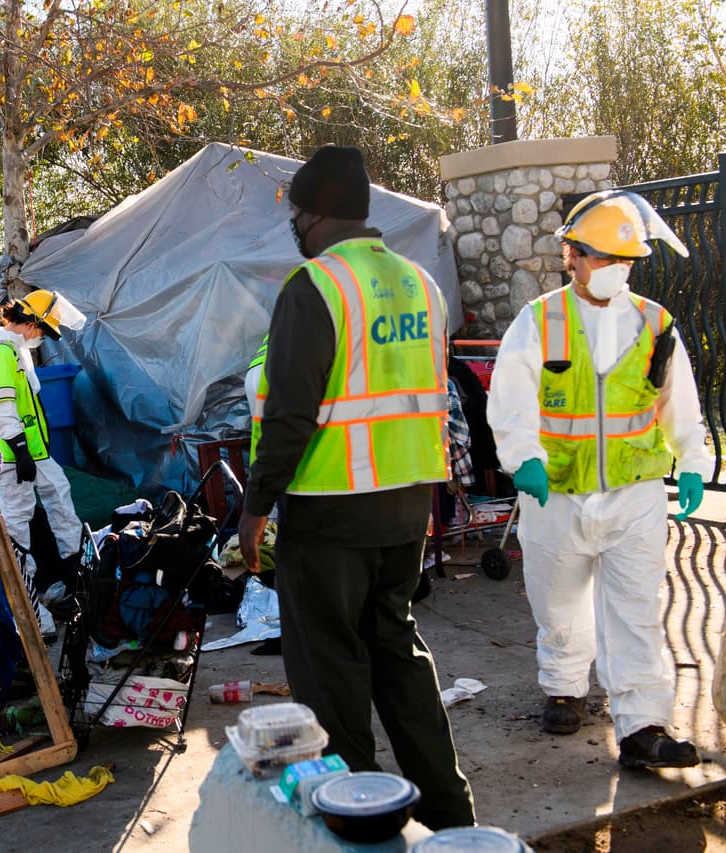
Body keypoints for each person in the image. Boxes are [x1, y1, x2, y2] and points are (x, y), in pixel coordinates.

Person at [239, 145, 476, 830]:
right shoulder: (422, 286)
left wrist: (255, 510)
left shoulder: (314, 286)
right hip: (408, 508)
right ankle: (451, 816)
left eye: (295, 215)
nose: (294, 227)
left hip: (328, 511)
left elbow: (289, 415)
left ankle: (358, 823)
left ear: (315, 215)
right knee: (398, 652)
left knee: (331, 672)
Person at [487, 189, 710, 769]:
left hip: (635, 494)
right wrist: (523, 457)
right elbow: (510, 398)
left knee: (635, 611)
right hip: (557, 492)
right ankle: (565, 688)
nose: (616, 269)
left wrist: (691, 460)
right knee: (558, 604)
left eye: (625, 260)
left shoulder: (655, 322)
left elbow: (677, 400)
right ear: (573, 255)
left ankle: (643, 725)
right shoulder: (538, 321)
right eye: (604, 257)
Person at [0, 289, 87, 638]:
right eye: (43, 330)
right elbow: (1, 405)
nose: (43, 338)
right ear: (30, 323)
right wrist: (20, 449)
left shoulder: (12, 350)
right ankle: (31, 614)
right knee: (17, 526)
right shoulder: (2, 351)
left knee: (60, 499)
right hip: (13, 456)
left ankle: (74, 583)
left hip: (30, 453)